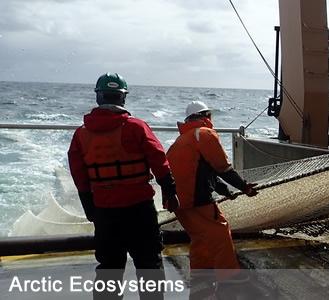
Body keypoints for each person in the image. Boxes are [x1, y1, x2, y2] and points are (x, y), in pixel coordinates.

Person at [68, 73, 179, 300]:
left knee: (109, 267)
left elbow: (79, 176)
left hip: (105, 212)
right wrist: (170, 191)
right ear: (122, 98)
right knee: (149, 264)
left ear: (99, 97)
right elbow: (159, 161)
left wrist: (91, 208)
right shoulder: (136, 128)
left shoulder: (80, 135)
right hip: (139, 210)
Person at [166, 101, 258, 296]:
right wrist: (245, 187)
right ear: (206, 116)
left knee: (200, 237)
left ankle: (201, 275)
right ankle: (229, 276)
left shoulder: (183, 140)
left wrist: (225, 191)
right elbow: (222, 168)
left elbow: (204, 170)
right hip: (197, 199)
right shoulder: (204, 134)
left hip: (178, 201)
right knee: (220, 232)